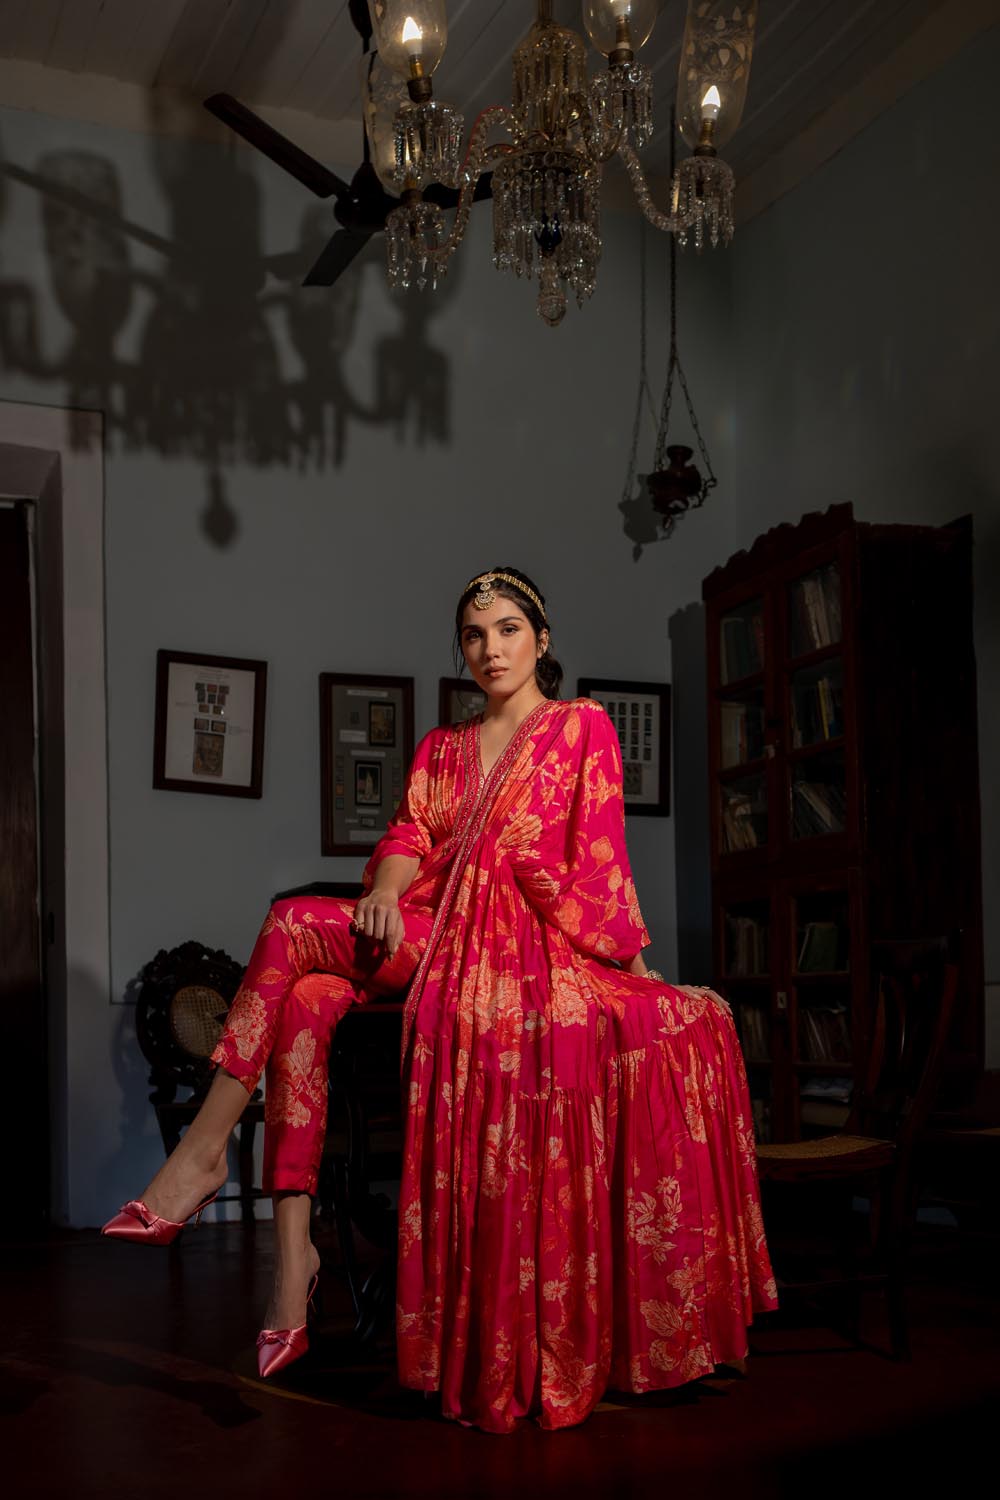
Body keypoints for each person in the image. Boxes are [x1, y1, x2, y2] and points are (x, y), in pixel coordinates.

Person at [104, 566, 777, 1431]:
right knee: (302, 980)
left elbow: (602, 859)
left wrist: (640, 973)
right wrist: (386, 889)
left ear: (542, 637)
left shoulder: (580, 727)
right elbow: (407, 836)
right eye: (473, 635)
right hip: (428, 930)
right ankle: (290, 1258)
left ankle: (216, 1173)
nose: (490, 649)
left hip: (520, 942)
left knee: (297, 948)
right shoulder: (440, 748)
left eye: (508, 629)